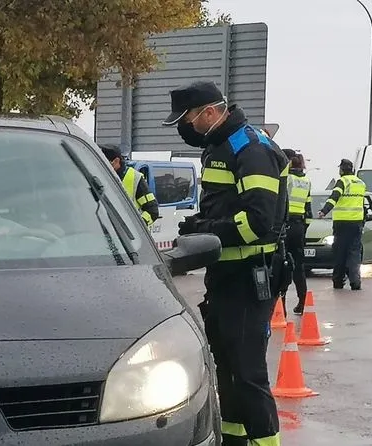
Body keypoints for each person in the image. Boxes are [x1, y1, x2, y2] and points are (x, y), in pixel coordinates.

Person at [166, 80, 288, 446]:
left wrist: (206, 230)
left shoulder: (250, 147)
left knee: (248, 371)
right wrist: (201, 231)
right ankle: (234, 439)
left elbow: (258, 222)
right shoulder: (218, 146)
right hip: (225, 274)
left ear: (209, 112)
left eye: (187, 119)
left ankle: (267, 441)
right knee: (227, 367)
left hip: (252, 276)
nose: (185, 127)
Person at [318, 159, 367, 290]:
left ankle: (338, 281)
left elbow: (334, 197)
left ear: (341, 170)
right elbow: (361, 203)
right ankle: (355, 282)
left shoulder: (342, 181)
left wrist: (324, 211)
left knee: (340, 252)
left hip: (342, 223)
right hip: (356, 223)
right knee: (354, 253)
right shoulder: (360, 183)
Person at [98, 144, 160, 227]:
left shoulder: (135, 178)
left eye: (104, 163)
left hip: (128, 236)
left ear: (116, 161)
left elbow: (152, 210)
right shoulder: (99, 175)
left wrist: (137, 227)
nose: (101, 167)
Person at [283, 149, 312, 314]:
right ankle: (302, 302)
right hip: (299, 226)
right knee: (299, 267)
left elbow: (280, 202)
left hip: (285, 225)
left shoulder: (287, 179)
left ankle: (281, 305)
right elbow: (308, 209)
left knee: (283, 264)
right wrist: (304, 230)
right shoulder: (306, 181)